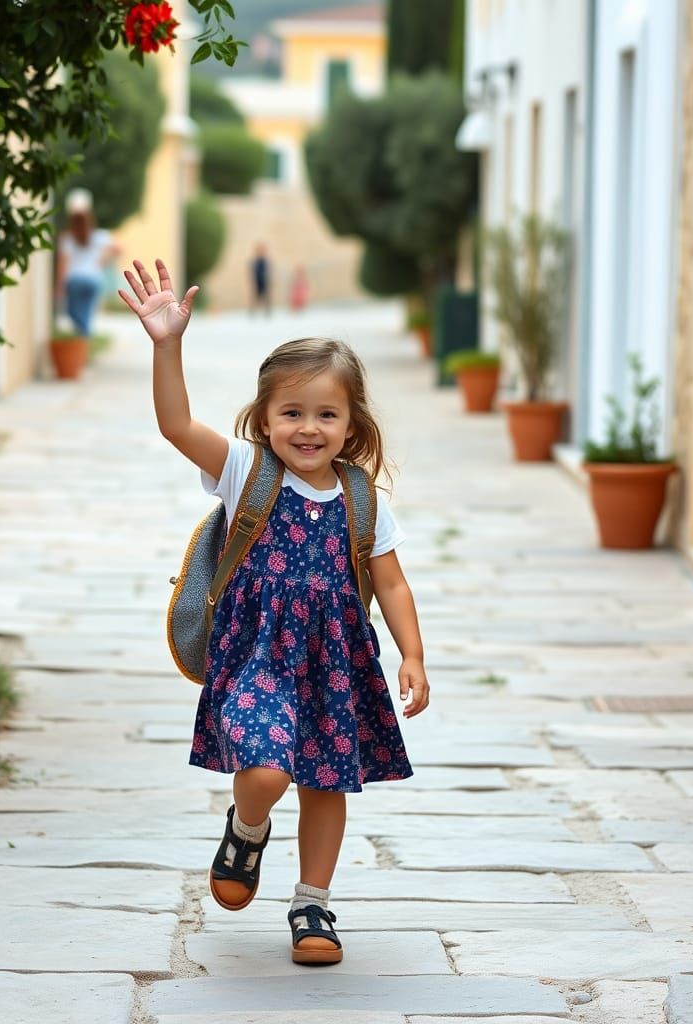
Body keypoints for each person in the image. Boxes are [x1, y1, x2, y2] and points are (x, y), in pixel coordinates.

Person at [118, 258, 430, 966]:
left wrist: (411, 654)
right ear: (264, 419)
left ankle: (312, 902)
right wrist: (167, 345)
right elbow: (175, 424)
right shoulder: (245, 472)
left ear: (351, 425)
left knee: (325, 782)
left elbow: (391, 585)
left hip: (335, 664)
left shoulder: (362, 500)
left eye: (326, 414)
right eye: (292, 413)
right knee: (265, 767)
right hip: (257, 657)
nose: (308, 428)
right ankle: (248, 827)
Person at [55, 188, 121, 337]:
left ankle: (84, 336)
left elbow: (63, 265)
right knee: (86, 312)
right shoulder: (100, 236)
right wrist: (104, 258)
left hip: (75, 280)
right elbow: (119, 248)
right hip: (94, 279)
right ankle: (84, 337)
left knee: (72, 312)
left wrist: (59, 287)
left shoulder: (67, 238)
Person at [249, 243, 272, 315]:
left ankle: (267, 312)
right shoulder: (255, 262)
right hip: (257, 281)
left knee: (266, 297)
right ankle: (253, 312)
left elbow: (269, 271)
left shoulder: (266, 261)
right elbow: (252, 272)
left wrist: (269, 280)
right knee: (255, 297)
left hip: (264, 281)